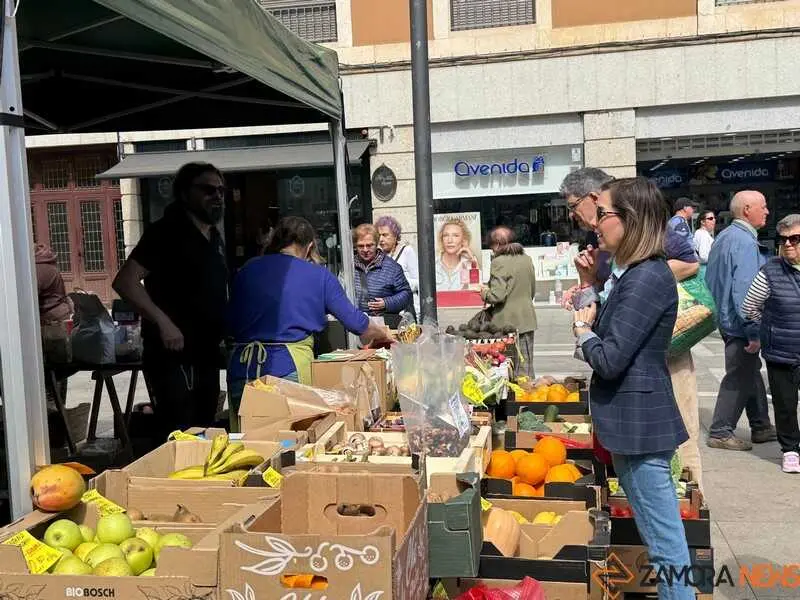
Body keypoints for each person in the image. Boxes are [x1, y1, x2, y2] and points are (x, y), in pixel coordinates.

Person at [572, 177, 693, 600]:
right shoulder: (633, 274)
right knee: (661, 539)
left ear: (631, 219)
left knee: (665, 547)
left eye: (603, 213)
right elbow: (613, 325)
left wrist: (582, 332)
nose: (596, 223)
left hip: (640, 426)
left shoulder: (645, 277)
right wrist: (590, 289)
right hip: (633, 423)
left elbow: (610, 357)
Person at [563, 168, 706, 492]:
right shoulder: (603, 242)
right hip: (626, 355)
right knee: (647, 484)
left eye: (575, 206)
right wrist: (591, 285)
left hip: (662, 354)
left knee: (679, 452)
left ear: (595, 198)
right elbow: (607, 303)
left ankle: (693, 510)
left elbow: (690, 263)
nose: (576, 216)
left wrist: (635, 283)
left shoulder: (644, 245)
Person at [226, 217, 390, 430]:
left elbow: (228, 320)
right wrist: (384, 334)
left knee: (246, 444)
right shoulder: (318, 276)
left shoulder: (247, 270)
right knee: (290, 446)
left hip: (241, 368)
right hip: (288, 368)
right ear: (310, 246)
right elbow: (357, 323)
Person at [113, 162, 229, 439]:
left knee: (203, 427)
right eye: (208, 190)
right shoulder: (165, 231)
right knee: (179, 431)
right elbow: (125, 281)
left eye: (221, 191)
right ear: (185, 192)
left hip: (206, 352)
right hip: (172, 356)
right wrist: (163, 322)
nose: (217, 196)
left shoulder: (214, 235)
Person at [705, 190, 776, 451]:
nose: (767, 211)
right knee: (738, 375)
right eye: (763, 206)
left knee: (748, 371)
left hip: (726, 318)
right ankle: (721, 431)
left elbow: (712, 281)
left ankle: (760, 425)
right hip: (739, 322)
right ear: (747, 209)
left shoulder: (724, 237)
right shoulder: (745, 243)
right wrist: (753, 330)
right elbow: (746, 291)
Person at [741, 214, 800, 473]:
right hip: (781, 351)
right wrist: (769, 328)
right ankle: (790, 450)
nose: (788, 244)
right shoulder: (770, 271)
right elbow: (749, 307)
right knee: (785, 404)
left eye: (795, 239)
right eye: (783, 239)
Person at [481, 227, 538, 378]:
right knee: (525, 368)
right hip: (527, 319)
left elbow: (497, 296)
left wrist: (483, 291)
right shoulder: (526, 259)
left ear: (497, 244)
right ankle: (527, 398)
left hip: (506, 322)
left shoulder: (499, 262)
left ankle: (512, 399)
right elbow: (532, 290)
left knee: (506, 367)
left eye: (491, 246)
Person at [352, 224, 413, 327]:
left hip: (384, 327)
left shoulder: (392, 267)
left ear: (376, 244)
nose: (365, 250)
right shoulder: (349, 267)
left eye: (370, 245)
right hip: (355, 326)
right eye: (361, 246)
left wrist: (387, 303)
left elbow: (406, 294)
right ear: (355, 246)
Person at [375, 215, 420, 320]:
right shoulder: (378, 256)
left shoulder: (407, 251)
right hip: (387, 312)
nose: (381, 239)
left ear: (395, 236)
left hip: (407, 313)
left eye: (385, 235)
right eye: (379, 235)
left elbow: (419, 283)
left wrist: (398, 283)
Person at [435, 219, 477, 291]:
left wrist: (472, 259)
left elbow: (477, 291)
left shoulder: (469, 264)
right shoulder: (433, 265)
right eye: (446, 235)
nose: (450, 240)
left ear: (463, 240)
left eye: (455, 236)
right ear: (441, 240)